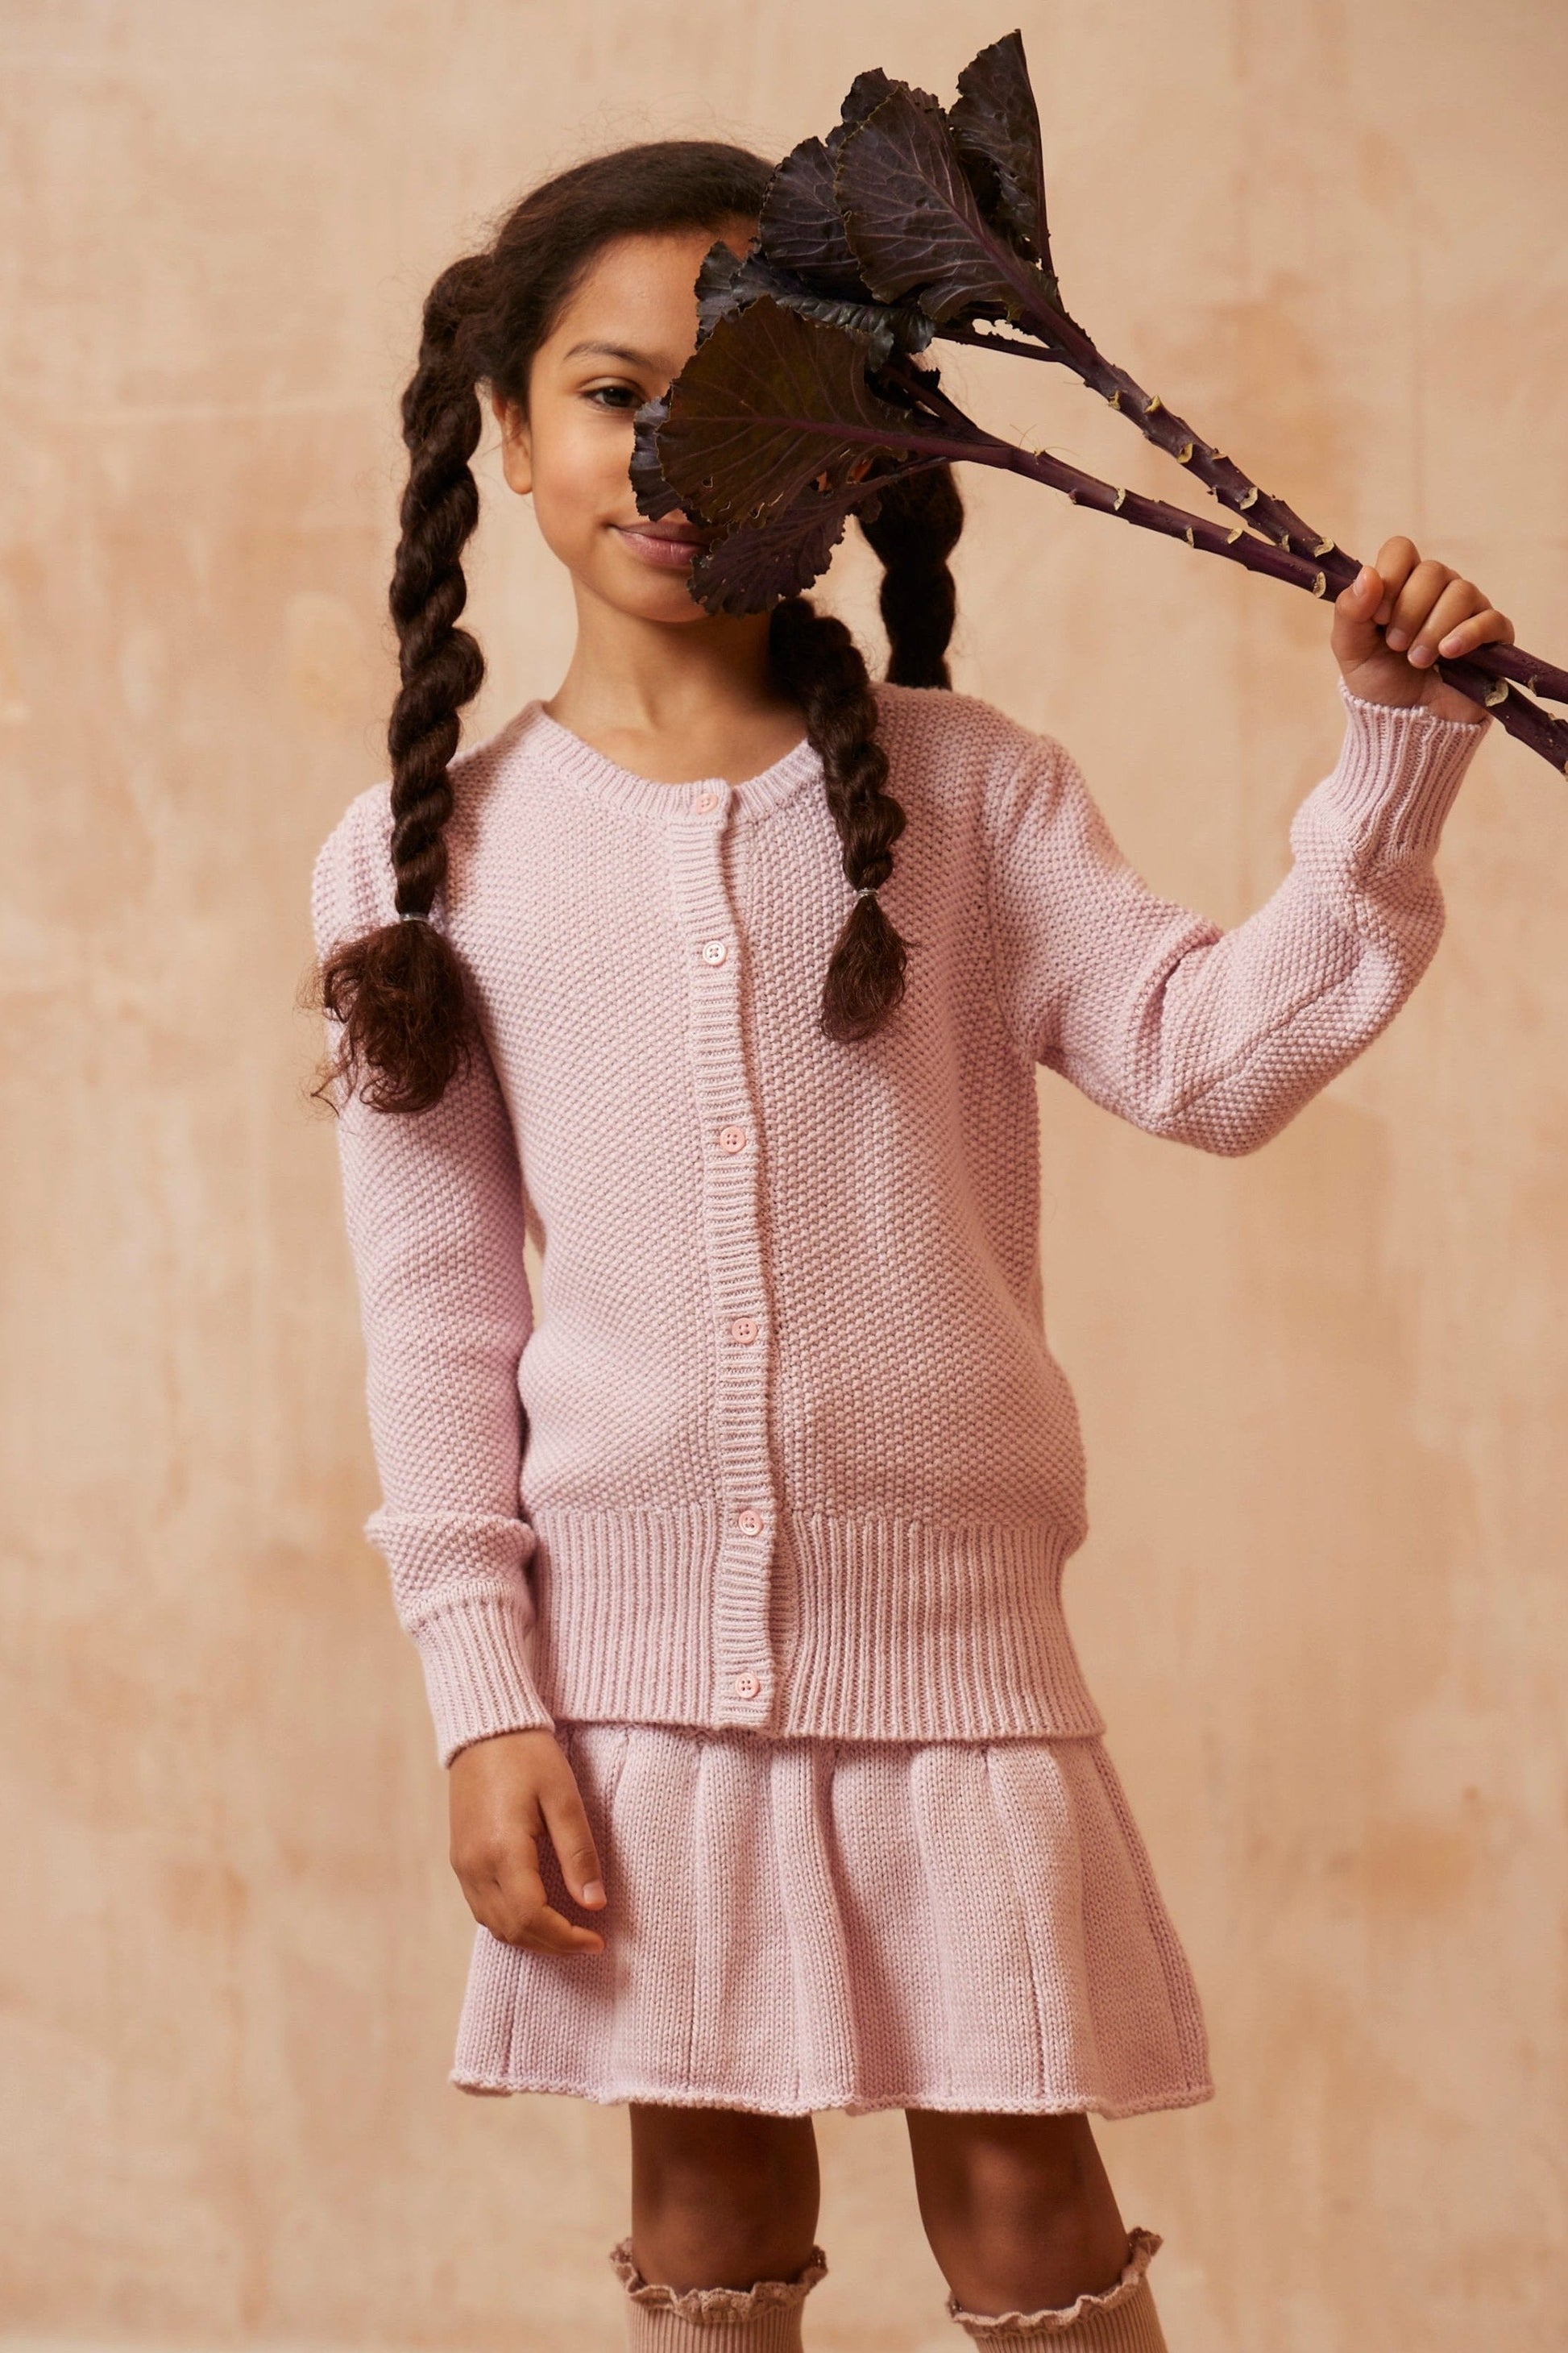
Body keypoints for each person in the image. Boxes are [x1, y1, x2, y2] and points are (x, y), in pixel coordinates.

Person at [306, 138, 1512, 2353]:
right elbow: (435, 1324)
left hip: (958, 1654)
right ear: (504, 428)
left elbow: (1210, 1062)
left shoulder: (970, 794)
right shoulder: (424, 863)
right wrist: (485, 1705)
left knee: (1028, 2200)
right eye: (613, 394)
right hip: (630, 1672)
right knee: (703, 2199)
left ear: (849, 450)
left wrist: (1391, 756)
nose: (674, 454)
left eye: (745, 394)